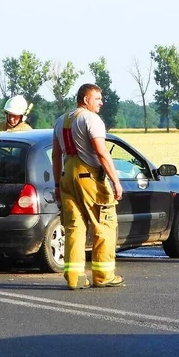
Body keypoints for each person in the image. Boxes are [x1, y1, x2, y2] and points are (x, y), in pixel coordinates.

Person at [51, 83, 125, 289]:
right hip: (89, 179)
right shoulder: (91, 119)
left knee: (74, 227)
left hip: (67, 177)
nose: (101, 103)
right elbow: (102, 152)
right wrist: (116, 181)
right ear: (85, 99)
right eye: (97, 99)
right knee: (104, 224)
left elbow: (56, 155)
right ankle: (103, 276)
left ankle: (74, 278)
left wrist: (57, 184)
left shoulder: (60, 121)